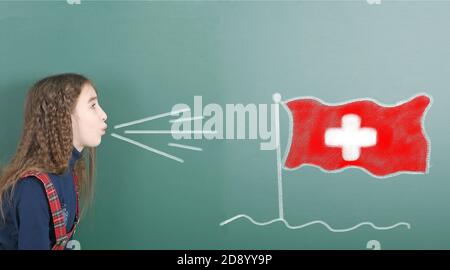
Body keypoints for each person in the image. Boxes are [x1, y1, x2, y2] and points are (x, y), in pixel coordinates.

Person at [0, 73, 107, 249]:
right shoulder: (32, 188)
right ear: (63, 115)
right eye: (93, 106)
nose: (103, 115)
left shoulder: (68, 173)